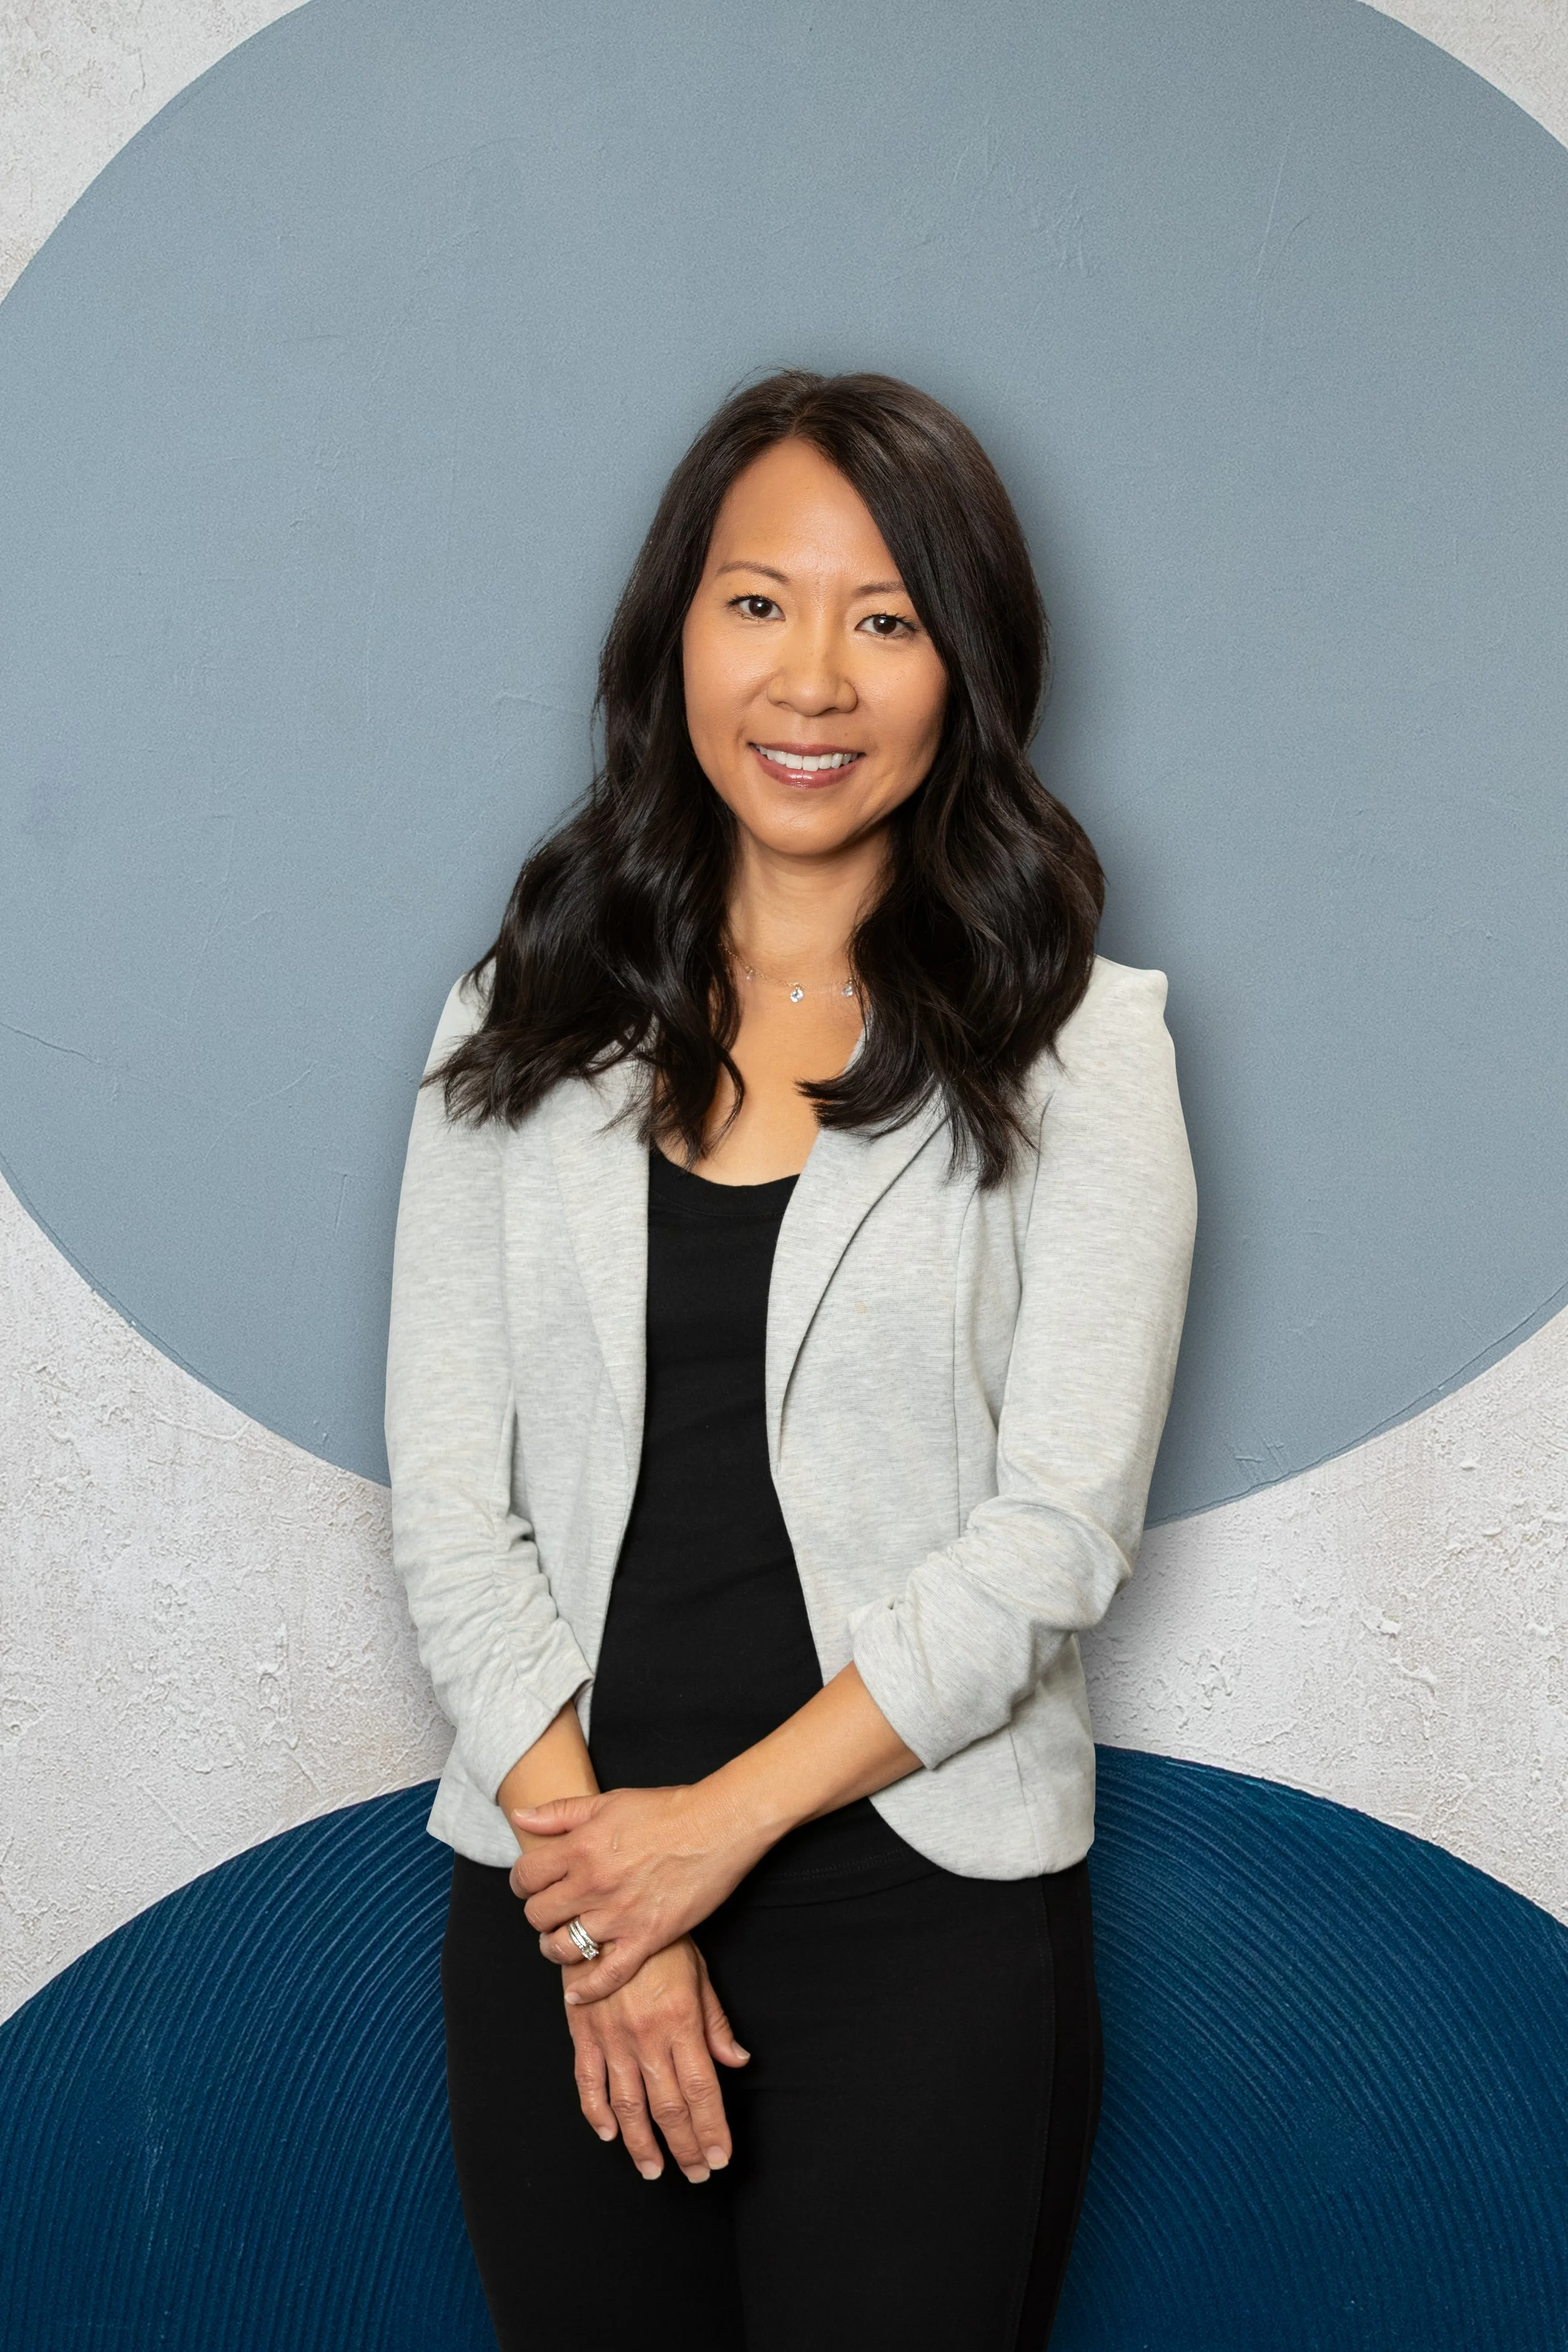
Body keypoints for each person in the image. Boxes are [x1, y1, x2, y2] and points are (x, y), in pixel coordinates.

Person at [385, 369, 1196, 2351]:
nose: (811, 677)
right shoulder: (522, 1015)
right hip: (561, 1911)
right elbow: (449, 1509)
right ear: (675, 630)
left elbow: (1053, 1537)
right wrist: (606, 1894)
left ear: (965, 666)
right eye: (758, 602)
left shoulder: (1082, 1048)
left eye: (885, 617)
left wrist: (710, 1830)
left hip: (914, 1924)